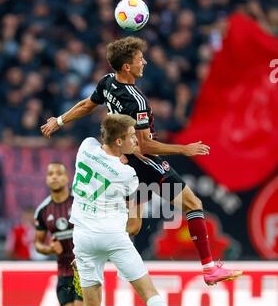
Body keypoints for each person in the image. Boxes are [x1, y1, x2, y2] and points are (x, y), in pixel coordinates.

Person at [41, 36, 242, 287]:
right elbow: (145, 145)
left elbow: (86, 105)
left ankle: (85, 260)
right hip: (143, 162)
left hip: (122, 163)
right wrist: (184, 150)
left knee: (133, 225)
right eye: (139, 59)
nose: (144, 62)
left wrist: (58, 121)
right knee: (193, 204)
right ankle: (210, 269)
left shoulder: (107, 82)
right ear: (127, 66)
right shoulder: (136, 101)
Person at [70, 114, 205, 306]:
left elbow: (105, 136)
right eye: (132, 136)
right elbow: (134, 222)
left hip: (82, 238)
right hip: (112, 236)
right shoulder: (127, 174)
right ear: (119, 141)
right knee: (150, 294)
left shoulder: (85, 147)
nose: (137, 139)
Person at [34, 161, 138, 306]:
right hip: (62, 272)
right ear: (46, 179)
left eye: (59, 173)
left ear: (66, 178)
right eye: (50, 173)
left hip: (86, 267)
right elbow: (38, 243)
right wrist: (48, 248)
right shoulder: (43, 211)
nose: (54, 177)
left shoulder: (81, 202)